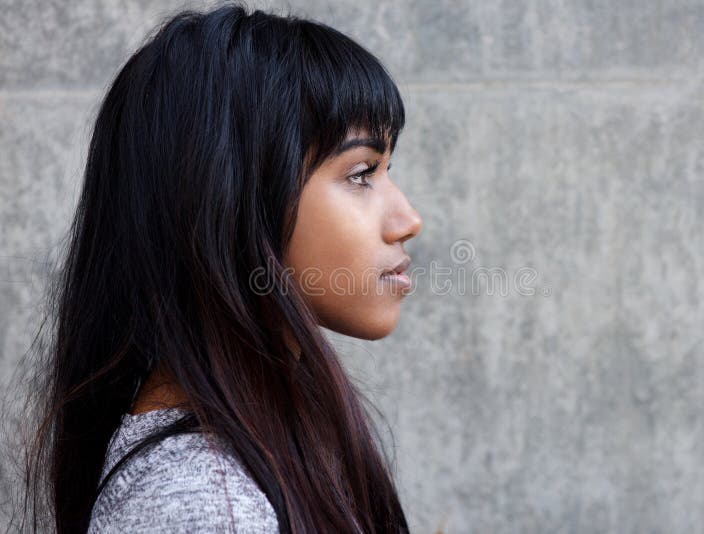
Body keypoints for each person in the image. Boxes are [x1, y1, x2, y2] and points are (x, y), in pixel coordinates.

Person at [17, 4, 422, 533]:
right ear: (229, 199)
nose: (408, 220)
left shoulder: (262, 443)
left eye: (386, 169)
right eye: (362, 172)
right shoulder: (202, 500)